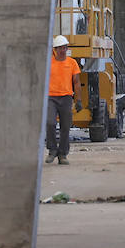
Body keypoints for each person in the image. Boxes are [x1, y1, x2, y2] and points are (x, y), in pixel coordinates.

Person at [46, 34, 83, 165]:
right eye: (60, 48)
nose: (63, 50)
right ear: (55, 49)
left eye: (65, 48)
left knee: (65, 126)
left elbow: (77, 82)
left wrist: (78, 100)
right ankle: (52, 150)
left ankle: (62, 154)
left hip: (66, 98)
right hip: (50, 97)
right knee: (50, 122)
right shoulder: (48, 63)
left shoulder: (72, 63)